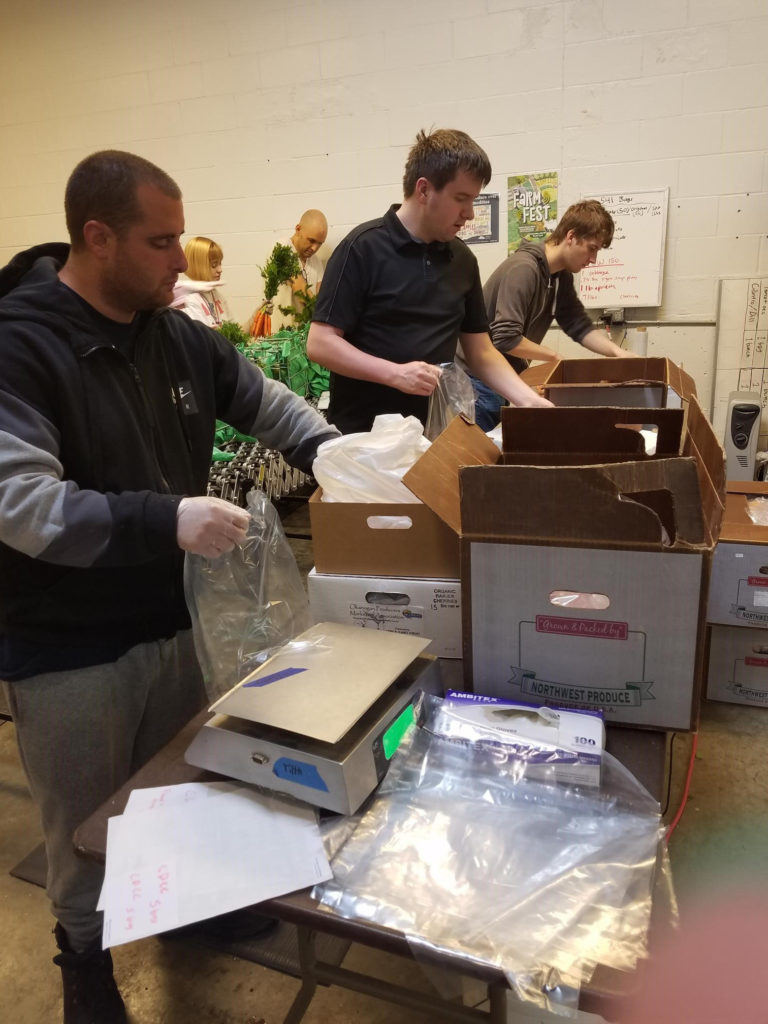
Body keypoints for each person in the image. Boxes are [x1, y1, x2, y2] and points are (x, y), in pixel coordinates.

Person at [0, 150, 340, 1024]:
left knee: (181, 783)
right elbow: (24, 505)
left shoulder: (178, 334)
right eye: (160, 241)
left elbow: (266, 403)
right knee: (84, 826)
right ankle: (83, 958)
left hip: (175, 617)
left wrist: (339, 454)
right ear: (97, 236)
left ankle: (187, 908)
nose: (179, 257)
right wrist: (164, 519)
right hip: (71, 639)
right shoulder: (21, 344)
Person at [306, 128, 552, 434]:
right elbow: (320, 344)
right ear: (424, 190)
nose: (470, 214)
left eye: (474, 200)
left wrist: (528, 401)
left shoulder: (462, 260)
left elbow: (481, 352)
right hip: (364, 442)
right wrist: (395, 374)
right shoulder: (362, 248)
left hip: (431, 437)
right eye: (461, 199)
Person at [472, 199, 639, 430]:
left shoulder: (559, 277)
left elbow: (578, 325)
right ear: (571, 236)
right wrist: (554, 357)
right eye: (592, 248)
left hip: (503, 377)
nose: (593, 260)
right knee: (478, 451)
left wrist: (618, 352)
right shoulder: (524, 269)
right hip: (478, 379)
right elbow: (505, 337)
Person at [267, 209, 328, 331]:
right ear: (298, 229)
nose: (315, 248)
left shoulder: (316, 262)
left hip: (303, 335)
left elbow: (322, 298)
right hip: (279, 336)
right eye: (311, 240)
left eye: (320, 243)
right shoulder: (282, 248)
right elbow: (299, 288)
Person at [170, 234, 229, 327]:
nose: (220, 269)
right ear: (198, 266)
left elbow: (236, 329)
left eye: (220, 263)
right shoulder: (188, 300)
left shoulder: (217, 295)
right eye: (214, 265)